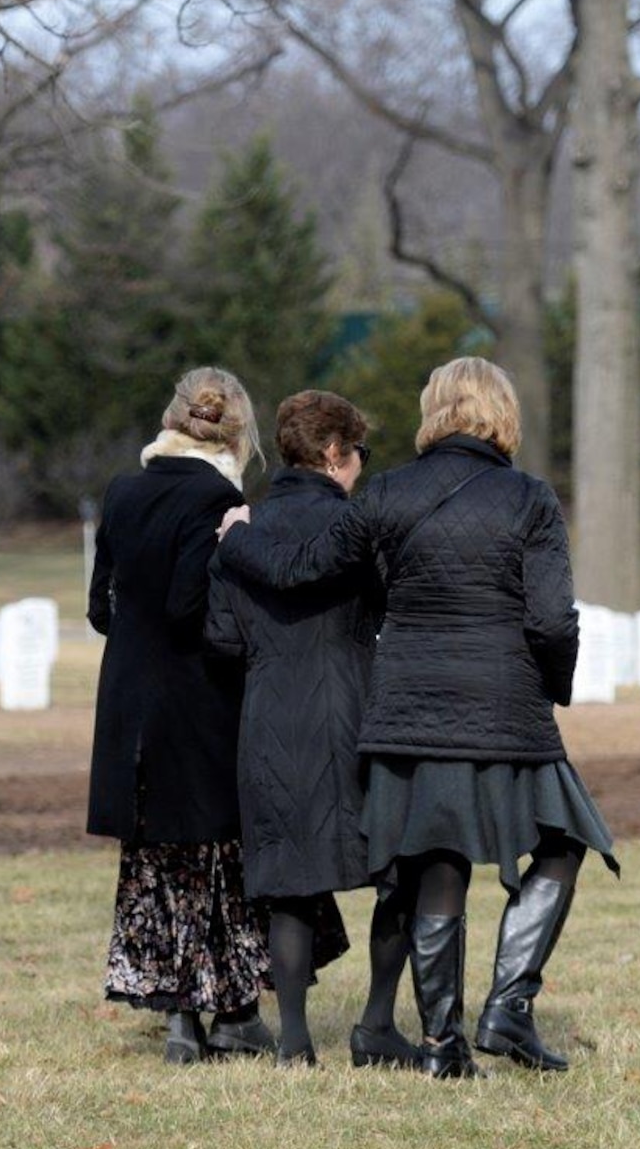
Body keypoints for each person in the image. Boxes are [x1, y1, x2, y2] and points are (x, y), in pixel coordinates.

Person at [216, 356, 618, 1079]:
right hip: (504, 703)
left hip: (405, 706)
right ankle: (508, 1005)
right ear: (501, 412)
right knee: (566, 837)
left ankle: (442, 1045)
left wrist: (239, 537)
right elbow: (554, 619)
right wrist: (552, 687)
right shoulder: (530, 499)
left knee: (438, 858)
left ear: (434, 411)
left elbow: (299, 568)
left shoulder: (388, 493)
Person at [204, 391, 413, 1069]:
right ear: (333, 454)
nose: (361, 468)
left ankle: (294, 1037)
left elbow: (222, 637)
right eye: (359, 455)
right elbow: (392, 609)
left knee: (289, 883)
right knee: (397, 870)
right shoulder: (355, 530)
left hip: (268, 715)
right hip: (356, 709)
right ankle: (377, 1020)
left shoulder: (240, 532)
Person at [86, 367, 275, 1065]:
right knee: (216, 855)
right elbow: (188, 604)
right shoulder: (218, 498)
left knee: (157, 861)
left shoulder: (125, 490)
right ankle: (227, 1015)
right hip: (198, 700)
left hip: (129, 706)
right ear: (236, 431)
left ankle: (178, 1017)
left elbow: (100, 607)